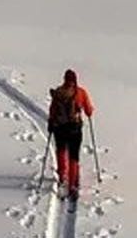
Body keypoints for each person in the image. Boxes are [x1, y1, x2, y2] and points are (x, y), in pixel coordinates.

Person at [47, 69, 95, 199]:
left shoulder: (58, 93)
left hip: (60, 128)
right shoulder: (80, 92)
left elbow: (52, 111)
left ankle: (62, 176)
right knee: (74, 156)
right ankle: (72, 184)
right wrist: (89, 112)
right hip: (75, 128)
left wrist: (51, 123)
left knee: (61, 150)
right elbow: (89, 110)